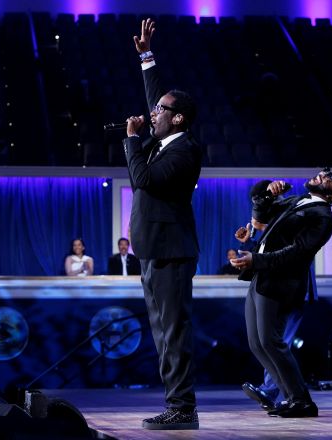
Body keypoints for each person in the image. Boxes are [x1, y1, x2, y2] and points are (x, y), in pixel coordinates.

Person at [124, 18, 202, 430]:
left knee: (174, 333)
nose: (153, 113)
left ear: (179, 119)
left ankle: (183, 407)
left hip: (172, 252)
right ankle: (176, 403)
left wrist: (131, 141)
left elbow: (143, 179)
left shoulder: (185, 150)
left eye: (161, 111)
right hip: (153, 250)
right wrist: (147, 57)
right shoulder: (165, 138)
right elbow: (158, 98)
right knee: (162, 334)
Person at [231, 167, 332, 418]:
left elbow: (297, 253)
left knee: (271, 342)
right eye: (325, 171)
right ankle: (291, 398)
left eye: (330, 177)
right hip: (261, 276)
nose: (323, 174)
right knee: (257, 343)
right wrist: (268, 193)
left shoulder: (323, 217)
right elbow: (261, 217)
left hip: (280, 281)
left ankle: (302, 401)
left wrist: (256, 260)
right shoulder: (297, 200)